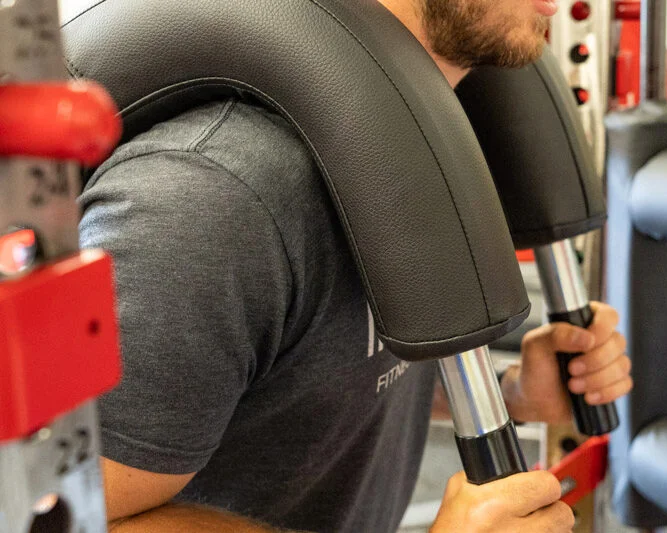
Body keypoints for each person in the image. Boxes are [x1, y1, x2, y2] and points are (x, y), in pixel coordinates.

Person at [79, 0, 632, 531]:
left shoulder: (417, 133)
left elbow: (312, 388)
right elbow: (55, 518)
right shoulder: (211, 200)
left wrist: (515, 396)